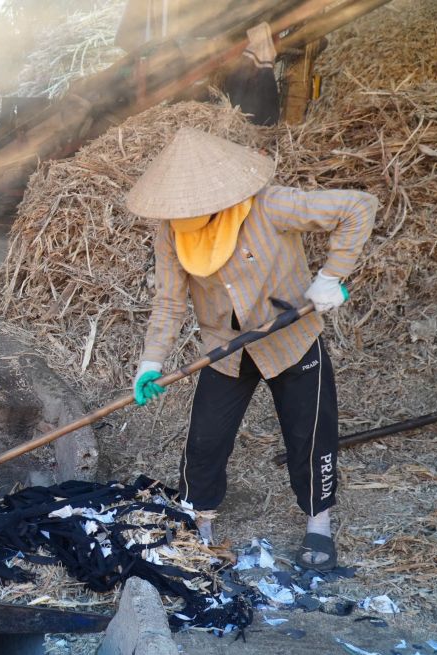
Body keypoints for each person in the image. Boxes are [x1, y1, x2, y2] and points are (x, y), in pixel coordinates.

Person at [126, 127, 377, 571]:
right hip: (225, 349)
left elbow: (358, 206)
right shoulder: (171, 233)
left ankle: (318, 525)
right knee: (205, 439)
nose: (184, 216)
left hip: (291, 340)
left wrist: (330, 276)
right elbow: (168, 300)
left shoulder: (269, 204)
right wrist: (151, 361)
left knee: (310, 434)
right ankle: (197, 523)